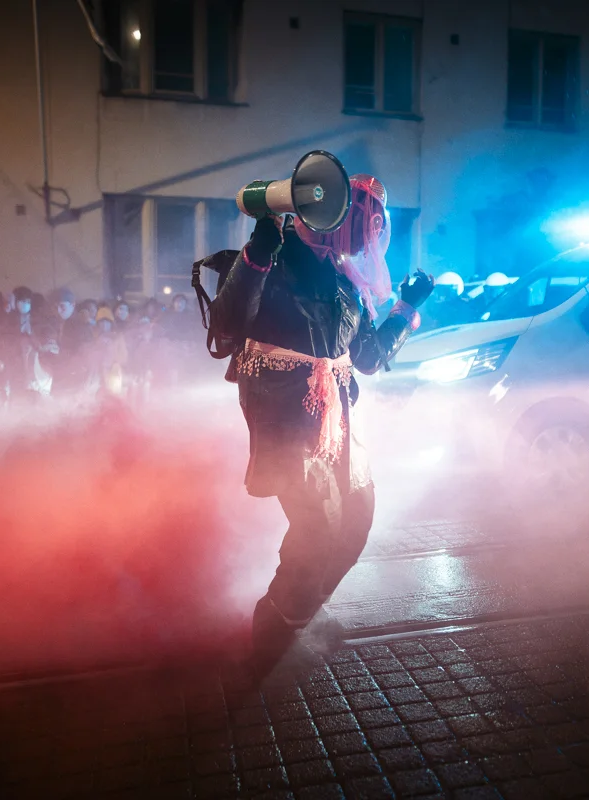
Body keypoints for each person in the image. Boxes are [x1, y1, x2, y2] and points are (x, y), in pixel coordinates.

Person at [208, 173, 434, 676]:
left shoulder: (344, 281)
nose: (367, 232)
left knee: (357, 519)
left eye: (372, 221)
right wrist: (258, 249)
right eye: (362, 217)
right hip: (283, 413)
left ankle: (300, 609)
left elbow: (367, 357)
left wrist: (406, 309)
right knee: (319, 525)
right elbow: (224, 327)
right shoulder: (273, 257)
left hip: (336, 417)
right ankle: (273, 631)